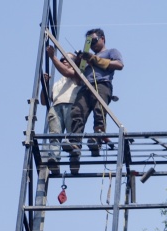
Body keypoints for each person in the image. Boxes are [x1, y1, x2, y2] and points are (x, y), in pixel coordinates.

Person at [66, 28, 124, 174]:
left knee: (100, 110)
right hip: (85, 87)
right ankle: (75, 145)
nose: (91, 44)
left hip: (102, 84)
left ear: (102, 38)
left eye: (94, 41)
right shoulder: (87, 57)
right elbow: (78, 78)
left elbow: (119, 65)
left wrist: (95, 59)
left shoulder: (111, 51)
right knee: (77, 112)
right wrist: (80, 61)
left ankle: (97, 138)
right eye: (88, 42)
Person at [40, 46, 80, 175]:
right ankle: (54, 161)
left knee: (72, 137)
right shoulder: (58, 82)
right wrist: (45, 84)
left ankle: (74, 161)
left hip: (71, 105)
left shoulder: (78, 75)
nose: (63, 60)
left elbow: (66, 72)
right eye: (62, 59)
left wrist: (53, 57)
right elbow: (44, 101)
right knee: (54, 136)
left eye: (67, 59)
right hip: (56, 107)